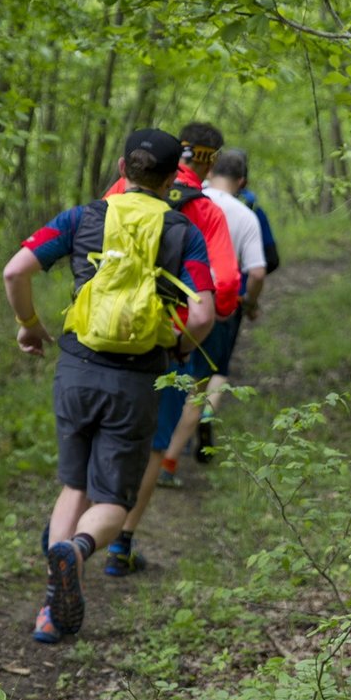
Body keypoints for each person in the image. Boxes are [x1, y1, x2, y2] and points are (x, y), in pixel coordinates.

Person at [3, 128, 215, 643]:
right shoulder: (181, 230)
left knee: (74, 485)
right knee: (113, 502)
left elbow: (15, 270)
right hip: (137, 375)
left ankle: (52, 611)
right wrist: (180, 349)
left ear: (122, 167)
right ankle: (76, 551)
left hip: (76, 364)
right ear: (171, 179)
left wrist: (30, 323)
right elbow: (205, 311)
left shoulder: (83, 217)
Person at [101, 122, 239, 578]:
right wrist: (195, 331)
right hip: (166, 340)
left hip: (103, 333)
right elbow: (226, 289)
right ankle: (120, 544)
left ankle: (73, 534)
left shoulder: (121, 188)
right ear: (211, 160)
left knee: (100, 430)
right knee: (155, 444)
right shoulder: (207, 212)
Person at [156, 149, 266, 484]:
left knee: (165, 376)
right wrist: (248, 303)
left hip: (173, 299)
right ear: (242, 181)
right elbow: (257, 272)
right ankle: (170, 460)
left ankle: (148, 447)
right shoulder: (245, 215)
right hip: (219, 306)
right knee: (206, 382)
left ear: (209, 169)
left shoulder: (184, 199)